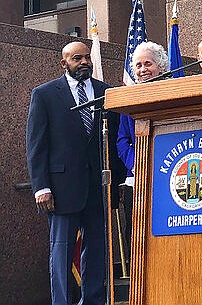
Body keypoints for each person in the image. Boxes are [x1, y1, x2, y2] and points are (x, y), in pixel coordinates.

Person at [26, 41, 122, 305]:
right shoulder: (45, 94)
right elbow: (36, 144)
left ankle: (92, 301)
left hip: (97, 187)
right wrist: (41, 187)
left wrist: (116, 183)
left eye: (87, 58)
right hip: (61, 188)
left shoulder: (106, 93)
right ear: (64, 63)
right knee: (62, 252)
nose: (84, 63)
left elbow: (114, 140)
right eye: (77, 58)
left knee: (96, 251)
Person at [117, 41, 170, 255]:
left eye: (147, 64)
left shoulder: (174, 92)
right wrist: (137, 164)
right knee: (137, 234)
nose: (142, 70)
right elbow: (122, 140)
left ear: (161, 67)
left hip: (169, 174)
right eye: (138, 66)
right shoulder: (129, 99)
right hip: (137, 178)